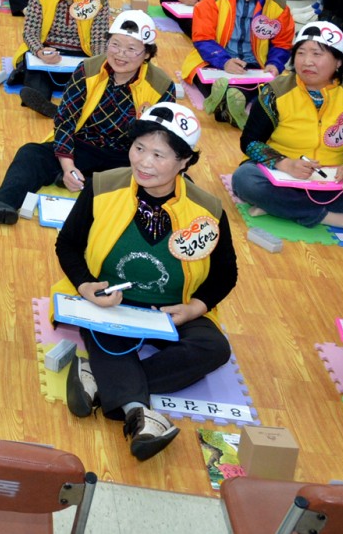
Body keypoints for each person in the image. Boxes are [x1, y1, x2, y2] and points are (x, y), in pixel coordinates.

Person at [56, 104, 236, 462]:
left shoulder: (207, 210)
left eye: (159, 155)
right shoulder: (102, 186)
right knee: (105, 331)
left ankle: (99, 378)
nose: (144, 162)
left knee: (215, 348)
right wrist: (85, 286)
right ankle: (139, 414)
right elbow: (68, 245)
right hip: (110, 302)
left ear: (184, 161)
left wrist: (194, 309)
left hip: (171, 311)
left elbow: (225, 274)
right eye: (139, 148)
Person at [0, 11, 173, 223]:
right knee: (32, 154)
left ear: (147, 53)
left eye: (131, 49)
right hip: (83, 145)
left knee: (157, 184)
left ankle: (88, 182)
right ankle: (2, 202)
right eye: (115, 45)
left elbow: (161, 142)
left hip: (125, 158)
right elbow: (65, 120)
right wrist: (68, 165)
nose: (121, 54)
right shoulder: (88, 69)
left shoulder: (161, 86)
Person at [231, 21, 343, 234]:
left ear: (338, 61)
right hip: (281, 175)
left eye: (317, 54)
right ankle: (331, 217)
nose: (307, 61)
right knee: (245, 180)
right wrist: (284, 163)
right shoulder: (275, 91)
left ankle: (280, 207)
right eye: (301, 53)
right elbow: (250, 141)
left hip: (332, 179)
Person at [183, 0, 293, 126]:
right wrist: (224, 61)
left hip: (255, 65)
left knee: (272, 88)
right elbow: (202, 37)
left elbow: (282, 43)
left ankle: (224, 102)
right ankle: (230, 102)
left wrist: (274, 64)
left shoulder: (278, 5)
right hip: (214, 59)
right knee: (206, 77)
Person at [10, 0, 112, 117]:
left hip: (81, 53)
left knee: (93, 82)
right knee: (36, 77)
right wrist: (40, 51)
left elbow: (99, 39)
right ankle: (51, 106)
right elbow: (30, 31)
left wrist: (97, 63)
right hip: (48, 50)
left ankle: (70, 109)